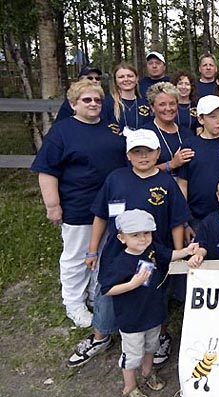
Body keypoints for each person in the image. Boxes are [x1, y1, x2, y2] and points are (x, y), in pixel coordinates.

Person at [74, 129, 190, 369]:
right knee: (108, 294)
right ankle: (100, 336)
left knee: (155, 295)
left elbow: (177, 220)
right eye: (137, 152)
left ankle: (159, 337)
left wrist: (178, 253)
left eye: (148, 151)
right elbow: (101, 216)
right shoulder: (116, 179)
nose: (143, 156)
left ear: (158, 152)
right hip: (118, 253)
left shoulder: (166, 182)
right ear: (128, 155)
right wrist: (93, 250)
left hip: (153, 254)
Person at [32, 79, 127, 329]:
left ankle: (98, 295)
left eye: (97, 99)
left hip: (112, 207)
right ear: (73, 104)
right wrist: (53, 205)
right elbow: (46, 171)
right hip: (79, 205)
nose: (93, 104)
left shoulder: (111, 129)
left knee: (105, 253)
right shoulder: (62, 132)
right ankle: (74, 303)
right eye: (87, 100)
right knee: (77, 256)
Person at [99, 209, 198, 397]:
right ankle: (129, 387)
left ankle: (147, 372)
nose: (142, 238)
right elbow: (107, 289)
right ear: (122, 238)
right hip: (132, 319)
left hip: (154, 313)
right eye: (135, 235)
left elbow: (168, 255)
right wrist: (132, 284)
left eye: (146, 233)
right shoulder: (121, 262)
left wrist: (186, 251)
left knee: (152, 346)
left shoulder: (152, 249)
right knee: (132, 355)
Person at [178, 95, 219, 221]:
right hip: (197, 216)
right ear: (201, 119)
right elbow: (183, 183)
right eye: (212, 116)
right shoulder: (190, 144)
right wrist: (184, 219)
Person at [143, 82, 195, 177]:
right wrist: (171, 164)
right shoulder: (144, 134)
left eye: (172, 104)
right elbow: (140, 170)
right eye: (162, 104)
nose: (168, 108)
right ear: (152, 107)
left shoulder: (187, 134)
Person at [103, 63, 151, 131]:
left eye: (130, 76)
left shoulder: (146, 102)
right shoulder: (107, 103)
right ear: (116, 81)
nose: (126, 79)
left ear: (137, 79)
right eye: (121, 77)